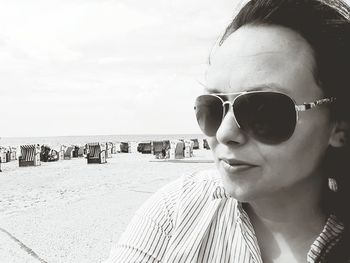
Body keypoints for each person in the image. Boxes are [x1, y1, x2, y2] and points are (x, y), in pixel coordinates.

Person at [105, 0, 350, 262]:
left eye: (263, 110)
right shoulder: (177, 211)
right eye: (212, 108)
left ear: (339, 125)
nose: (224, 133)